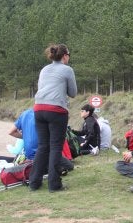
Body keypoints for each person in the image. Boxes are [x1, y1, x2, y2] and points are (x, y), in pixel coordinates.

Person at [29, 43, 77, 193]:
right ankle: (54, 184)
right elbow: (73, 93)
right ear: (65, 56)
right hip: (56, 110)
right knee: (56, 147)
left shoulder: (44, 69)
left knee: (43, 146)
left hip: (38, 108)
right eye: (69, 55)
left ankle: (34, 183)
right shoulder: (67, 70)